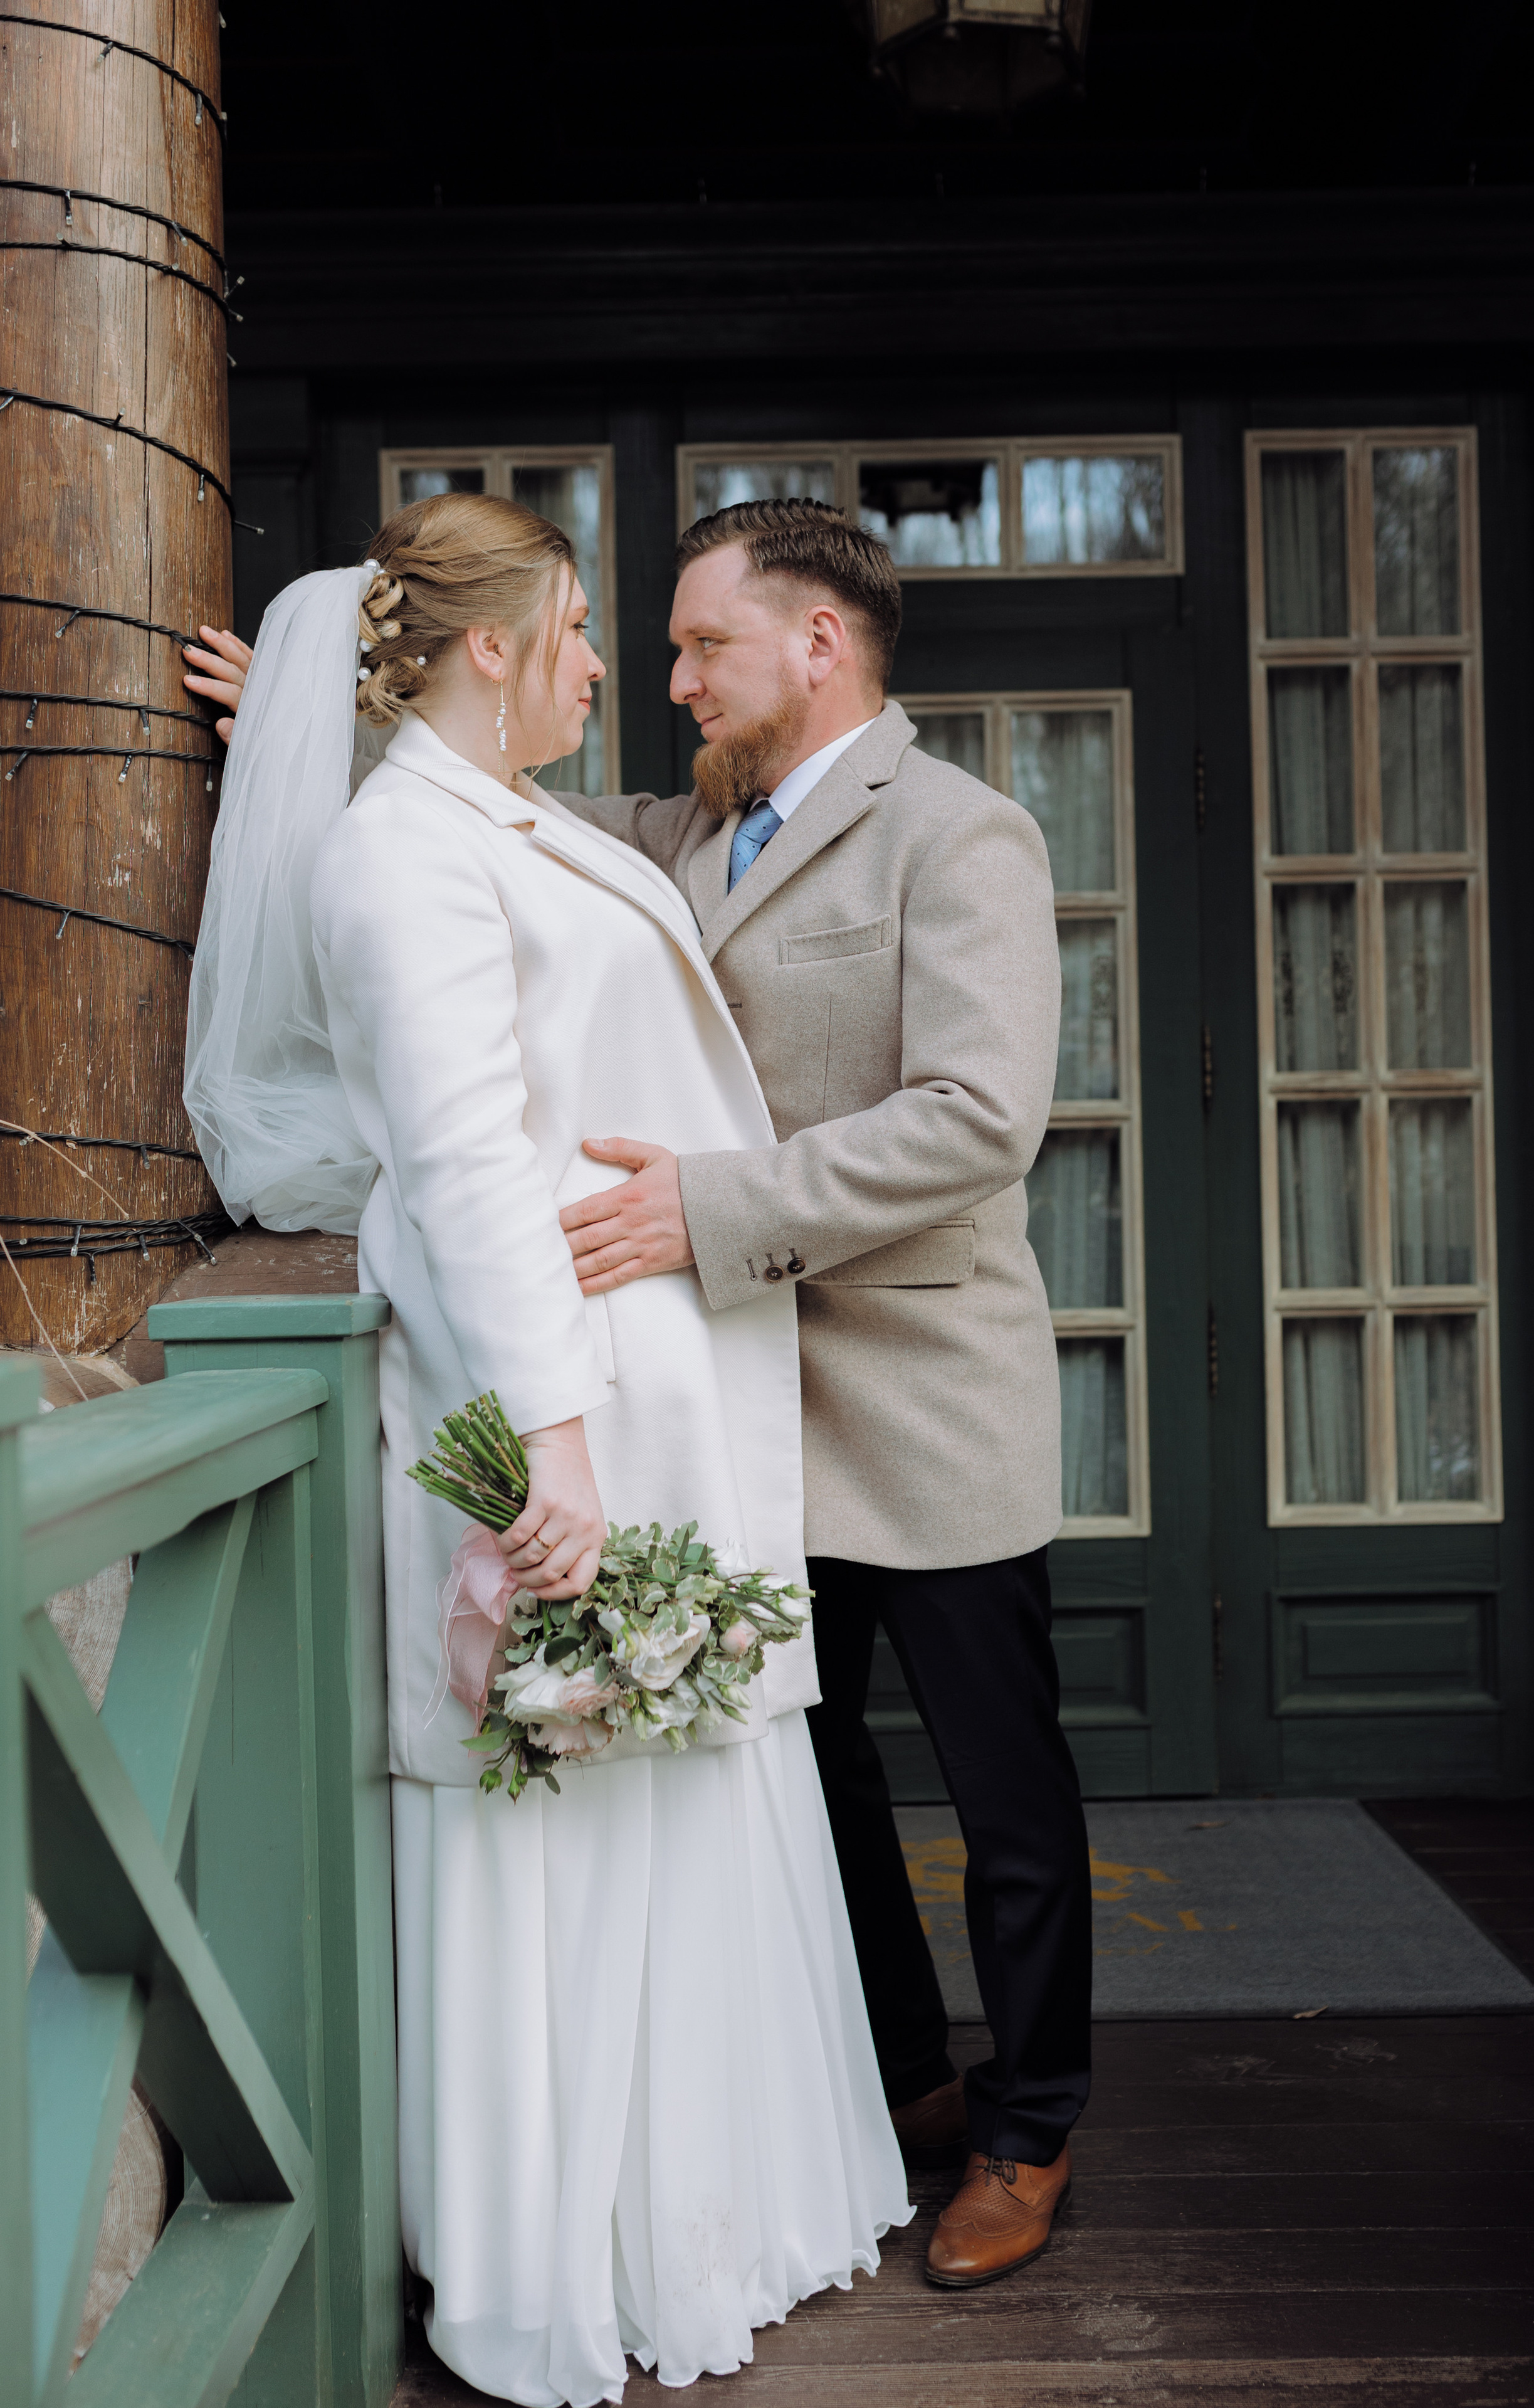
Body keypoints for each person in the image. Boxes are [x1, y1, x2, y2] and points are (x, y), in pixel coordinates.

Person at [187, 496, 1093, 2292]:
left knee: (1004, 1795)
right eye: (646, 643)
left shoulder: (966, 835)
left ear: (816, 645)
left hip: (915, 1392)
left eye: (701, 647)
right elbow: (477, 798)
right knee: (807, 1775)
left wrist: (709, 1204)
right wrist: (305, 708)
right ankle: (907, 2079)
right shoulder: (667, 829)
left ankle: (1030, 2125)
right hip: (733, 1420)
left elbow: (980, 1121)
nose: (664, 681)